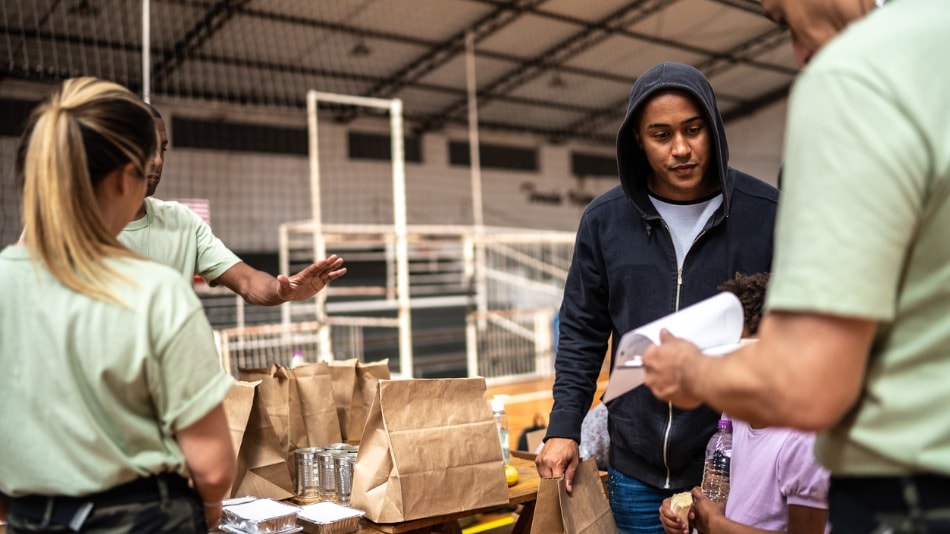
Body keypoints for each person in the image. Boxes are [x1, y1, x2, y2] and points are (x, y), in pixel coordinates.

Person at [642, 1, 950, 531]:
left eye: (781, 18)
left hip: (909, 488)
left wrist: (691, 371)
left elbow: (809, 380)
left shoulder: (855, 74)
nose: (800, 54)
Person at [536, 61, 779, 533]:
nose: (681, 149)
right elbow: (583, 330)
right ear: (638, 142)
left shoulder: (767, 215)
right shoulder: (604, 221)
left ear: (714, 129)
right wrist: (564, 425)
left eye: (694, 130)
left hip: (738, 467)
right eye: (661, 135)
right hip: (637, 469)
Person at [0, 77, 235, 532]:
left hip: (32, 516)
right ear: (124, 176)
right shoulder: (157, 293)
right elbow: (213, 467)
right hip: (142, 517)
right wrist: (208, 512)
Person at [119, 104, 346, 306]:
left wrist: (281, 290)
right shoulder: (87, 229)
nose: (158, 160)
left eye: (163, 149)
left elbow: (247, 281)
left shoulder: (183, 222)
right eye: (146, 147)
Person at [658, 273, 830, 534]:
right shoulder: (737, 411)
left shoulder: (803, 440)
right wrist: (695, 513)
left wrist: (716, 524)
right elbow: (742, 500)